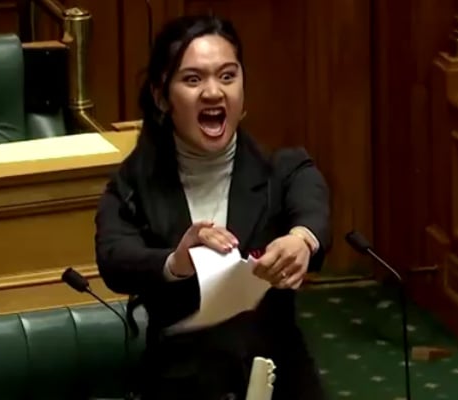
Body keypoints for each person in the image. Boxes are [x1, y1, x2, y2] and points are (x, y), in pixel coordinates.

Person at [95, 14, 331, 400]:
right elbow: (114, 258)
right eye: (193, 79)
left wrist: (302, 241)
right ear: (160, 96)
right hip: (181, 383)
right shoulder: (133, 184)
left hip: (279, 380)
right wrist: (176, 262)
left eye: (227, 76)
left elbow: (313, 207)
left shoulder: (282, 169)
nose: (213, 92)